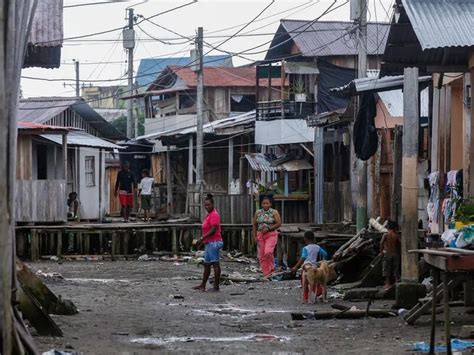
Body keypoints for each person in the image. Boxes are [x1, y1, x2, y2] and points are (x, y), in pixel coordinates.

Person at [193, 194, 223, 292]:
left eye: (208, 205)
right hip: (209, 242)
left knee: (215, 264)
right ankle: (203, 285)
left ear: (213, 204)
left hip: (214, 242)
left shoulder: (214, 214)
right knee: (206, 264)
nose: (207, 207)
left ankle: (216, 286)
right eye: (205, 205)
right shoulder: (209, 215)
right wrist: (203, 241)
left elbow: (213, 230)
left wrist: (201, 238)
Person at [291, 231, 330, 303]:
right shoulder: (317, 247)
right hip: (314, 268)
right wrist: (320, 262)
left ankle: (306, 298)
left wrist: (296, 266)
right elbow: (325, 254)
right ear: (313, 238)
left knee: (305, 283)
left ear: (305, 239)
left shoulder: (305, 248)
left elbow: (303, 257)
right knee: (315, 282)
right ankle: (320, 293)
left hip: (306, 268)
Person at [252, 195, 282, 277]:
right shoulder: (258, 212)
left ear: (270, 204)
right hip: (260, 235)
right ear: (261, 204)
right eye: (263, 203)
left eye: (267, 203)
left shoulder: (274, 212)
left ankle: (272, 267)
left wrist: (269, 228)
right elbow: (254, 224)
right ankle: (266, 273)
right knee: (261, 255)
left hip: (271, 234)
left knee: (268, 252)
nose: (265, 205)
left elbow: (279, 223)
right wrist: (254, 236)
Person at [380, 220, 401, 289]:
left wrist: (381, 252)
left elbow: (381, 243)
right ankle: (396, 281)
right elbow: (400, 244)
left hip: (387, 254)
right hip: (395, 254)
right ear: (395, 228)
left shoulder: (386, 235)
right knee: (396, 269)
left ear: (388, 227)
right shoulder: (396, 235)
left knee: (387, 269)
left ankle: (387, 284)